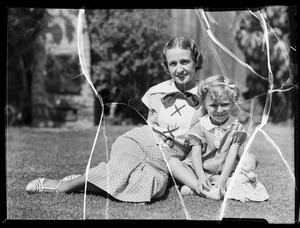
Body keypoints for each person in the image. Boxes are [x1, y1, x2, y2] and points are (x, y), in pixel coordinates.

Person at [25, 36, 206, 203]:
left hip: (169, 159)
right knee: (124, 167)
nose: (179, 69)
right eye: (172, 64)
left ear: (196, 61)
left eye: (184, 62)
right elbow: (150, 125)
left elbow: (207, 138)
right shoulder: (156, 91)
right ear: (166, 66)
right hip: (140, 141)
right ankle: (62, 185)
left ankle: (85, 179)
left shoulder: (207, 96)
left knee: (153, 186)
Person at [168, 75, 248, 200]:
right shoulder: (200, 125)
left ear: (233, 103)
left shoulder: (236, 127)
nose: (219, 110)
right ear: (205, 105)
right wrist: (201, 176)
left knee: (241, 176)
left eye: (225, 104)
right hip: (200, 171)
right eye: (213, 105)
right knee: (173, 163)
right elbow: (196, 154)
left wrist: (222, 179)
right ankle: (201, 187)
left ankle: (210, 188)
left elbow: (232, 155)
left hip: (223, 173)